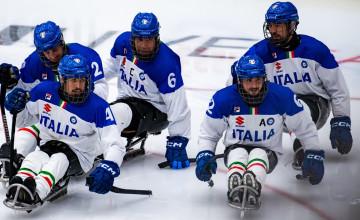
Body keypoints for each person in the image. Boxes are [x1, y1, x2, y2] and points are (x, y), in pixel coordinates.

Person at [227, 1, 352, 169]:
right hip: (279, 107)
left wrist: (341, 119)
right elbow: (236, 83)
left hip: (314, 104)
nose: (273, 30)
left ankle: (304, 150)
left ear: (292, 24)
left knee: (296, 107)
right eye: (270, 25)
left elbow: (337, 87)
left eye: (278, 25)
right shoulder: (258, 53)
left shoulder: (316, 49)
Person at [196, 54, 324, 208]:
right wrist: (205, 154)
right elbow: (209, 133)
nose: (254, 85)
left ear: (265, 78)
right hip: (234, 149)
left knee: (259, 154)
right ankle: (235, 179)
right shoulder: (223, 99)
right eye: (248, 80)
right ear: (239, 80)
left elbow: (304, 127)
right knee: (238, 153)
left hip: (269, 152)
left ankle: (254, 182)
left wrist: (314, 153)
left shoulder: (283, 96)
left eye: (258, 79)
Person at [3, 54, 125, 208]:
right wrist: (18, 108)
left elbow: (114, 143)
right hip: (49, 145)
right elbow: (23, 121)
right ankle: (18, 185)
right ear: (61, 79)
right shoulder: (43, 91)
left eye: (82, 80)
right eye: (73, 80)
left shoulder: (98, 107)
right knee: (34, 156)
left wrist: (109, 167)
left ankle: (37, 191)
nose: (78, 86)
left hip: (78, 155)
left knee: (59, 160)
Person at [0, 21, 109, 183]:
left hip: (81, 120)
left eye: (55, 49)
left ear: (62, 42)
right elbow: (24, 95)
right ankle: (18, 157)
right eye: (46, 52)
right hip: (53, 120)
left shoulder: (86, 56)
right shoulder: (34, 62)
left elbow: (101, 93)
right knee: (35, 118)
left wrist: (70, 97)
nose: (52, 56)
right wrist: (11, 84)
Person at [103, 12, 191, 169]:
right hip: (127, 101)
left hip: (156, 111)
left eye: (148, 39)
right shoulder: (122, 43)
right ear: (133, 38)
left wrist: (178, 140)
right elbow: (111, 66)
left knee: (111, 115)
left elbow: (178, 106)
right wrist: (86, 81)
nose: (144, 45)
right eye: (140, 39)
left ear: (156, 38)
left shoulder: (166, 63)